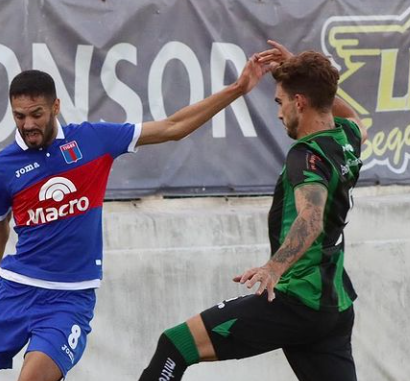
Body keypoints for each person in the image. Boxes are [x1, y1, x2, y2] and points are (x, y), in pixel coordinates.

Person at [0, 52, 272, 381]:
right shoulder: (4, 165)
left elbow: (173, 127)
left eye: (36, 114)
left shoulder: (93, 139)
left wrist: (238, 87)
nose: (28, 124)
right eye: (19, 116)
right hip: (13, 292)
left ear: (56, 107)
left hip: (68, 299)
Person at [138, 40, 368, 381]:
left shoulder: (305, 156)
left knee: (177, 344)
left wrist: (274, 268)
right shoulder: (346, 137)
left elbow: (311, 217)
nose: (279, 112)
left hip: (297, 300)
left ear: (299, 103)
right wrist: (312, 81)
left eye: (281, 102)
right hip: (334, 307)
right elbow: (354, 117)